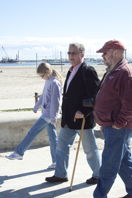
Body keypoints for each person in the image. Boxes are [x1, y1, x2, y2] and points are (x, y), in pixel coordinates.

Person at [45, 43, 101, 184]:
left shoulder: (88, 70)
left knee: (90, 150)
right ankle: (61, 174)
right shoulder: (71, 70)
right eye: (69, 53)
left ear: (82, 54)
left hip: (83, 119)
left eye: (74, 53)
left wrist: (83, 111)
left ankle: (99, 175)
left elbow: (95, 95)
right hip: (69, 118)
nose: (71, 56)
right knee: (61, 146)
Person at [93, 40, 132, 198]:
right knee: (124, 162)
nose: (103, 56)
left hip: (118, 129)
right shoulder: (114, 70)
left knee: (108, 166)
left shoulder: (124, 72)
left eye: (105, 52)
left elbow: (129, 104)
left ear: (116, 52)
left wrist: (118, 124)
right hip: (111, 126)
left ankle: (99, 195)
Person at [6, 62, 63, 169]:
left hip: (48, 116)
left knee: (32, 132)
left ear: (47, 72)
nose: (41, 78)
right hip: (47, 115)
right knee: (52, 138)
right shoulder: (48, 81)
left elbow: (56, 102)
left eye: (42, 75)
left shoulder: (55, 83)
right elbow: (43, 96)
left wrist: (53, 117)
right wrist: (36, 106)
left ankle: (19, 152)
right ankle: (56, 162)